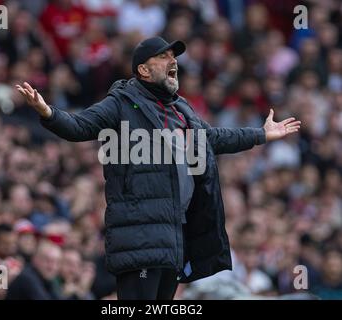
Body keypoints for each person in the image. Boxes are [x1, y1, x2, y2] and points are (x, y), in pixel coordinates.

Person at [16, 37, 301, 300]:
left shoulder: (182, 110)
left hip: (174, 239)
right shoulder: (123, 103)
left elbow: (214, 138)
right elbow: (79, 127)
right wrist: (47, 112)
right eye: (163, 56)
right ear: (143, 70)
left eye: (173, 56)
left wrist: (260, 134)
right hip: (139, 240)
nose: (173, 60)